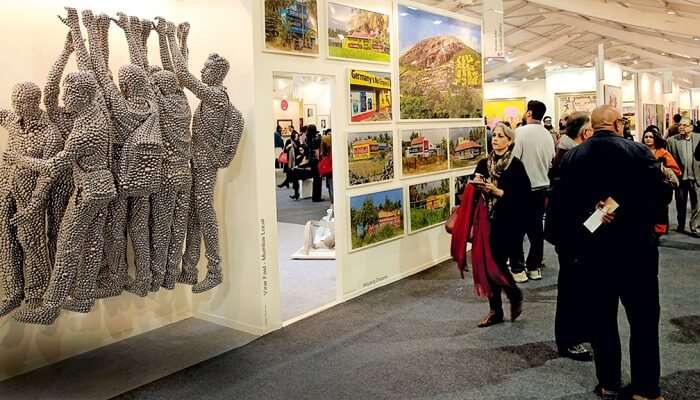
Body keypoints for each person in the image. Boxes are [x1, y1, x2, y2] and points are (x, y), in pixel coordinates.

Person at [548, 105, 668, 400]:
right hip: (636, 250)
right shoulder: (639, 153)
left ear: (592, 126)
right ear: (617, 124)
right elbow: (661, 196)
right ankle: (646, 388)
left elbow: (559, 208)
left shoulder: (572, 156)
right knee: (643, 320)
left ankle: (609, 383)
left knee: (601, 319)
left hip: (592, 251)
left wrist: (593, 216)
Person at [451, 123, 530, 327]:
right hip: (486, 220)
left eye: (500, 136)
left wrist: (497, 191)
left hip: (509, 223)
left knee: (496, 263)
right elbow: (474, 188)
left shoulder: (516, 166)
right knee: (486, 266)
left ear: (509, 141)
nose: (495, 139)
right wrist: (474, 187)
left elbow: (524, 197)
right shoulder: (484, 164)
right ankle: (496, 310)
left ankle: (513, 294)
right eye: (494, 135)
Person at [545, 112, 595, 362]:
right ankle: (569, 340)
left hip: (574, 232)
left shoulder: (570, 154)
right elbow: (569, 203)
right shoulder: (570, 157)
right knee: (571, 289)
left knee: (579, 287)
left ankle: (578, 335)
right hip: (572, 234)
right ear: (585, 133)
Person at [511, 100, 555, 282]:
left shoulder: (519, 133)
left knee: (516, 230)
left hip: (521, 190)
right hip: (542, 188)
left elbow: (513, 160)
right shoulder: (548, 135)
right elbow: (552, 160)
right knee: (536, 230)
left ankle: (518, 268)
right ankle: (534, 267)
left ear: (529, 113)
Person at [643, 126, 681, 238]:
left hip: (660, 189)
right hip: (644, 188)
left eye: (651, 137)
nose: (648, 139)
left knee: (660, 212)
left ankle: (658, 232)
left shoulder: (663, 153)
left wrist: (663, 170)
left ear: (656, 138)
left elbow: (676, 170)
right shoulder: (639, 151)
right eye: (646, 137)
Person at [667, 117, 700, 236]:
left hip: (696, 177)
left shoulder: (699, 138)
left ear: (691, 127)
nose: (681, 127)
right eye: (680, 125)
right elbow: (668, 160)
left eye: (684, 125)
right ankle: (681, 225)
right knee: (680, 203)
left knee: (697, 204)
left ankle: (695, 227)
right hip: (681, 178)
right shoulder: (672, 141)